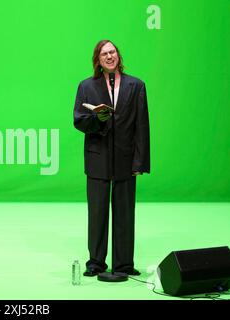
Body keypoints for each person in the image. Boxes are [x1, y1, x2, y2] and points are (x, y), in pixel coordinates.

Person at [73, 40, 150, 276]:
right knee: (97, 213)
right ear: (98, 59)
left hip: (126, 160)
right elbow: (78, 120)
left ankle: (124, 264)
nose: (109, 56)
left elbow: (142, 126)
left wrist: (140, 162)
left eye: (112, 52)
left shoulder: (136, 85)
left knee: (125, 213)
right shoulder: (86, 86)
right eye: (104, 53)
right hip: (98, 159)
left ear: (118, 56)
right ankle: (96, 262)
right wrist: (99, 118)